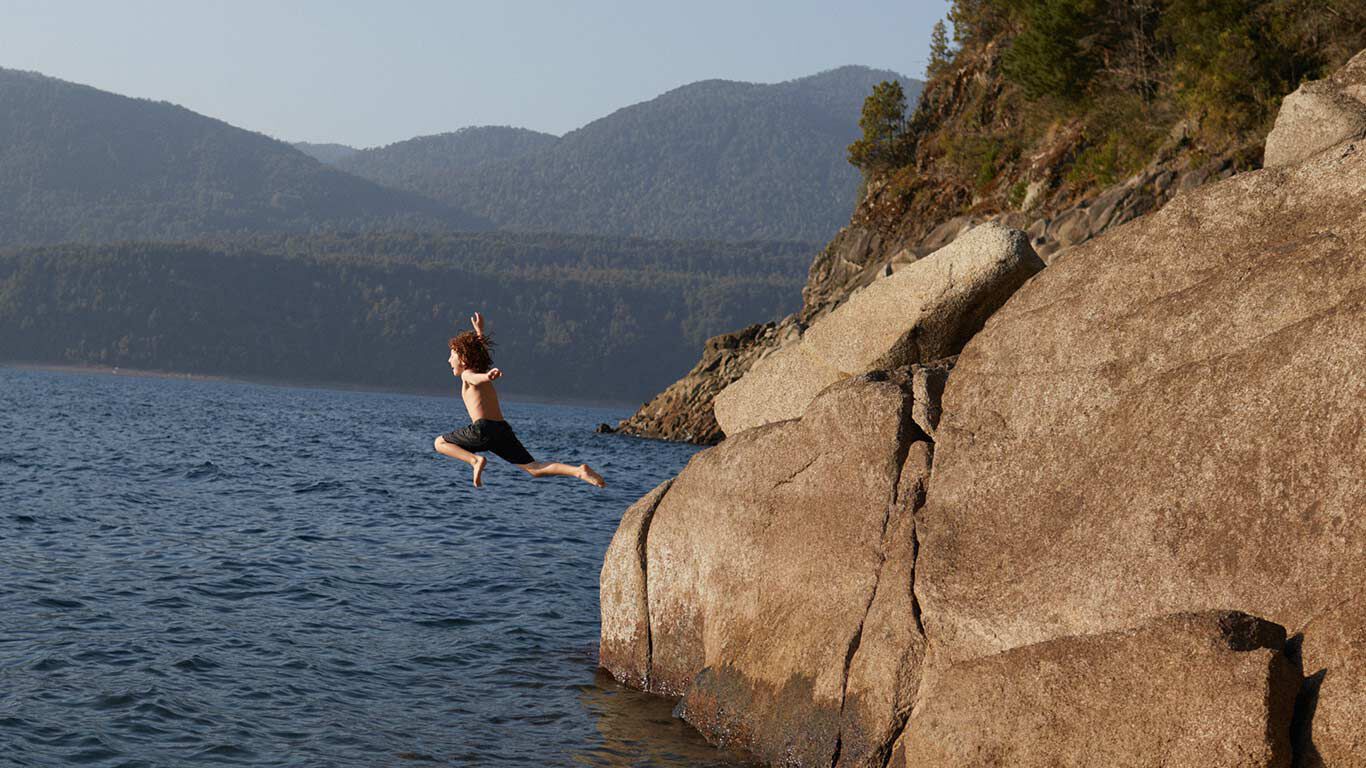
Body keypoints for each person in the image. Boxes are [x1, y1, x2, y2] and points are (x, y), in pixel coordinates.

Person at [434, 312, 606, 489]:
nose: (448, 360)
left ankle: (474, 460)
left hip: (482, 429)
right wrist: (479, 331)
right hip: (501, 429)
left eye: (451, 355)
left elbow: (475, 378)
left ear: (463, 359)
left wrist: (487, 376)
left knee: (440, 443)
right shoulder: (476, 367)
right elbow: (478, 358)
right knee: (534, 468)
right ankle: (578, 471)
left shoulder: (469, 375)